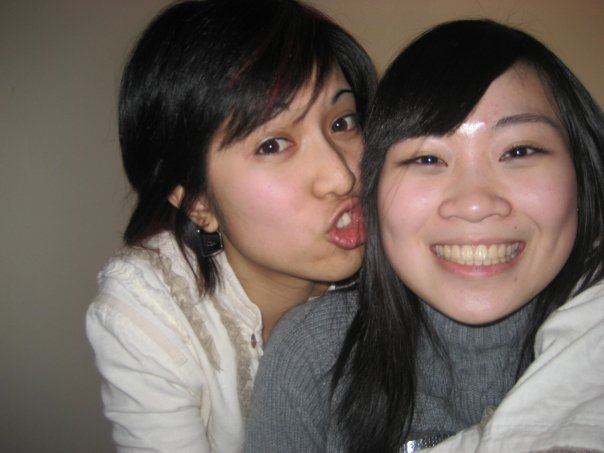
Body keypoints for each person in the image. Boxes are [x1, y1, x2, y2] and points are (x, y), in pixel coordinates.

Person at [245, 19, 604, 453]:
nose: (474, 203)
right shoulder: (313, 353)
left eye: (519, 151)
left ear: (583, 171)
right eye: (428, 159)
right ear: (373, 188)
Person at [85, 0, 376, 451]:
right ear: (197, 201)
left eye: (343, 122)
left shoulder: (400, 248)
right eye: (273, 144)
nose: (342, 176)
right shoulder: (151, 311)